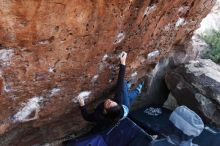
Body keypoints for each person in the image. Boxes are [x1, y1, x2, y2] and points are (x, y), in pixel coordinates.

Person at [77, 51, 144, 130]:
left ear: (105, 110)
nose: (109, 100)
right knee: (125, 90)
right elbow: (120, 83)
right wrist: (123, 62)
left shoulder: (99, 116)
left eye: (109, 103)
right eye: (112, 102)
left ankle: (133, 89)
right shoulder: (118, 101)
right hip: (124, 107)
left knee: (128, 95)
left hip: (118, 113)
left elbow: (87, 117)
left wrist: (82, 105)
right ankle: (136, 90)